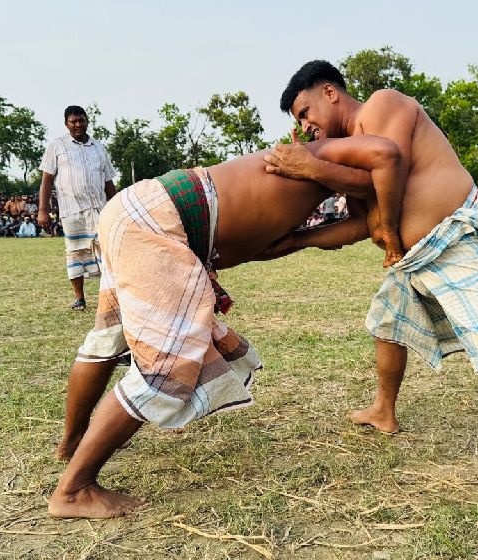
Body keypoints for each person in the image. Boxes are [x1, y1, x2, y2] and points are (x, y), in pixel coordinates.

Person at [268, 60, 478, 527]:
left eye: (305, 111)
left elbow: (387, 166)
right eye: (299, 121)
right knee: (386, 323)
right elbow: (363, 223)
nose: (305, 126)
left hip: (459, 241)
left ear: (330, 91)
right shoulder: (345, 155)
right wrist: (296, 241)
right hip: (415, 258)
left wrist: (315, 165)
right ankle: (384, 410)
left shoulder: (382, 105)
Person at [49, 135, 402, 520]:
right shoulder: (325, 152)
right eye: (302, 113)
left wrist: (301, 236)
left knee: (108, 337)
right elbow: (385, 159)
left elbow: (362, 222)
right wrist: (320, 171)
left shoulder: (322, 168)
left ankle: (71, 443)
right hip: (158, 222)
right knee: (166, 365)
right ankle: (74, 489)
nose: (304, 125)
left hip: (136, 211)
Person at [37, 106, 118, 312]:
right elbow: (46, 181)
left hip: (100, 209)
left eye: (81, 120)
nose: (78, 125)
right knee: (75, 253)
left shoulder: (99, 148)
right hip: (71, 210)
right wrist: (42, 210)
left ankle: (109, 298)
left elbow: (108, 181)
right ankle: (79, 298)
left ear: (87, 121)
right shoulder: (57, 146)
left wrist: (118, 206)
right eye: (73, 121)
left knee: (106, 252)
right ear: (66, 124)